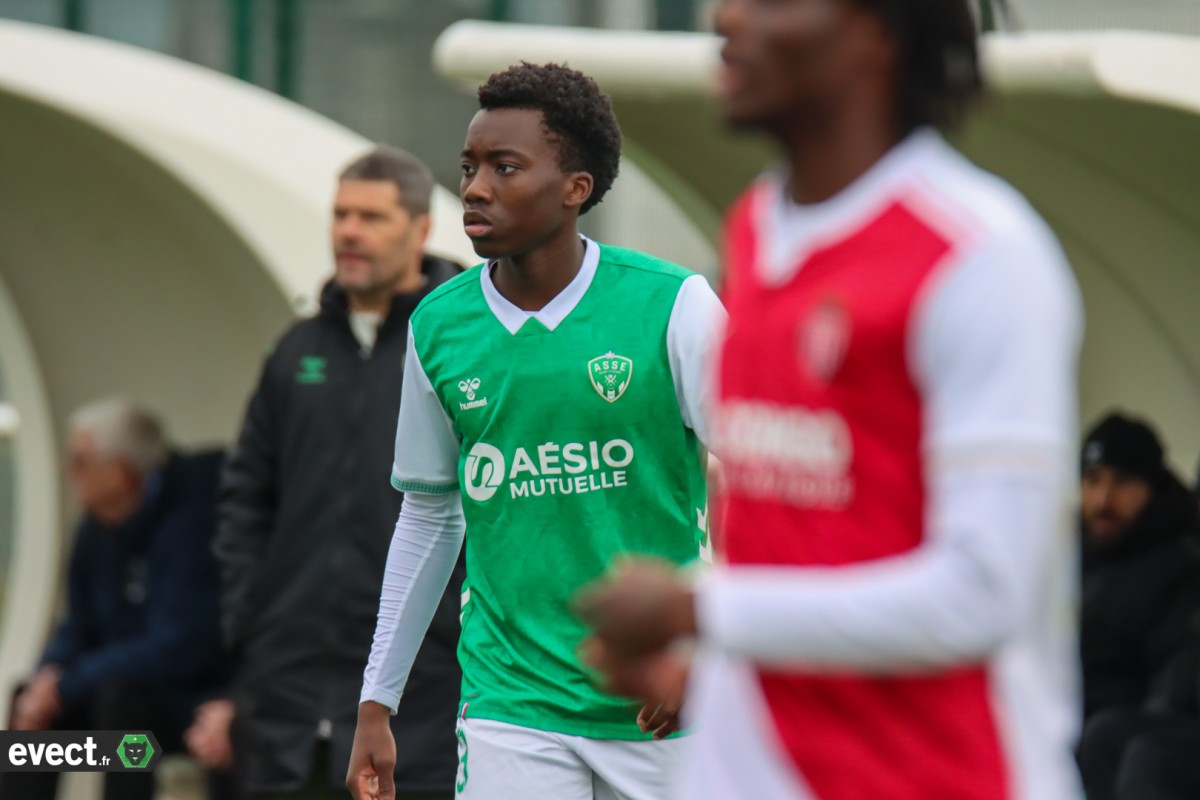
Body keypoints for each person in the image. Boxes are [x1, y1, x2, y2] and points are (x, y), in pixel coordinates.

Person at [575, 0, 1086, 798]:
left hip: (939, 776)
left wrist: (695, 610)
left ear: (876, 34)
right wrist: (700, 666)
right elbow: (786, 542)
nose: (726, 17)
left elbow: (984, 592)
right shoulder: (755, 227)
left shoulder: (981, 254)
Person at [346, 62, 725, 800]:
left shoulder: (674, 305)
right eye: (469, 167)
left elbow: (764, 485)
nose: (475, 188)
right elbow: (429, 514)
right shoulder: (439, 326)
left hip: (662, 703)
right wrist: (376, 700)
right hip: (510, 705)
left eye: (506, 167)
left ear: (576, 187)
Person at [215, 147, 465, 800]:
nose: (350, 232)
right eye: (341, 215)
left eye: (372, 217)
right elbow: (245, 498)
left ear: (420, 229)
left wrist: (455, 623)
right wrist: (251, 619)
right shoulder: (294, 352)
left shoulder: (459, 347)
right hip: (289, 695)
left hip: (424, 694)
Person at [0, 398, 230, 800]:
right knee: (33, 711)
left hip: (186, 706)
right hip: (115, 694)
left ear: (120, 472)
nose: (68, 470)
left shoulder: (192, 522)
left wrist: (70, 684)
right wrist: (48, 681)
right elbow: (79, 622)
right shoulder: (95, 529)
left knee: (124, 706)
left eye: (80, 460)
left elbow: (179, 648)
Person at [1072, 413, 1200, 800]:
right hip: (1069, 717)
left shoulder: (1178, 565)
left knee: (1127, 745)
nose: (1103, 500)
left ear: (1153, 487)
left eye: (1122, 482)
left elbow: (1173, 689)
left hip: (1132, 723)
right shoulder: (1068, 555)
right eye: (1092, 480)